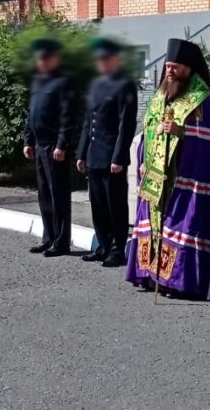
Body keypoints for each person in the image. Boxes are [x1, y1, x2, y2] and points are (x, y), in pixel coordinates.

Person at [125, 38, 210, 299]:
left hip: (184, 177)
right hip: (155, 175)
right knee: (153, 224)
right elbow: (148, 129)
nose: (170, 71)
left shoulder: (200, 99)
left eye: (176, 67)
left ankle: (176, 282)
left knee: (180, 225)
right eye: (168, 66)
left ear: (189, 69)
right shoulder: (160, 95)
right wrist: (144, 158)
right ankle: (150, 274)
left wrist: (181, 131)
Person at [77, 37, 138, 268]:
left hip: (112, 157)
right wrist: (82, 153)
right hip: (94, 155)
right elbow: (88, 121)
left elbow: (126, 124)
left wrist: (119, 156)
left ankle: (116, 250)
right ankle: (103, 246)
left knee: (115, 206)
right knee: (98, 205)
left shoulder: (124, 85)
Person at [23, 38, 77, 258]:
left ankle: (61, 242)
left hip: (55, 147)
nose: (41, 62)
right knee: (44, 195)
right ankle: (48, 238)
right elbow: (31, 114)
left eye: (46, 58)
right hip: (39, 145)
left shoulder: (62, 83)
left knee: (58, 196)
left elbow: (67, 116)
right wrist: (28, 140)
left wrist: (62, 144)